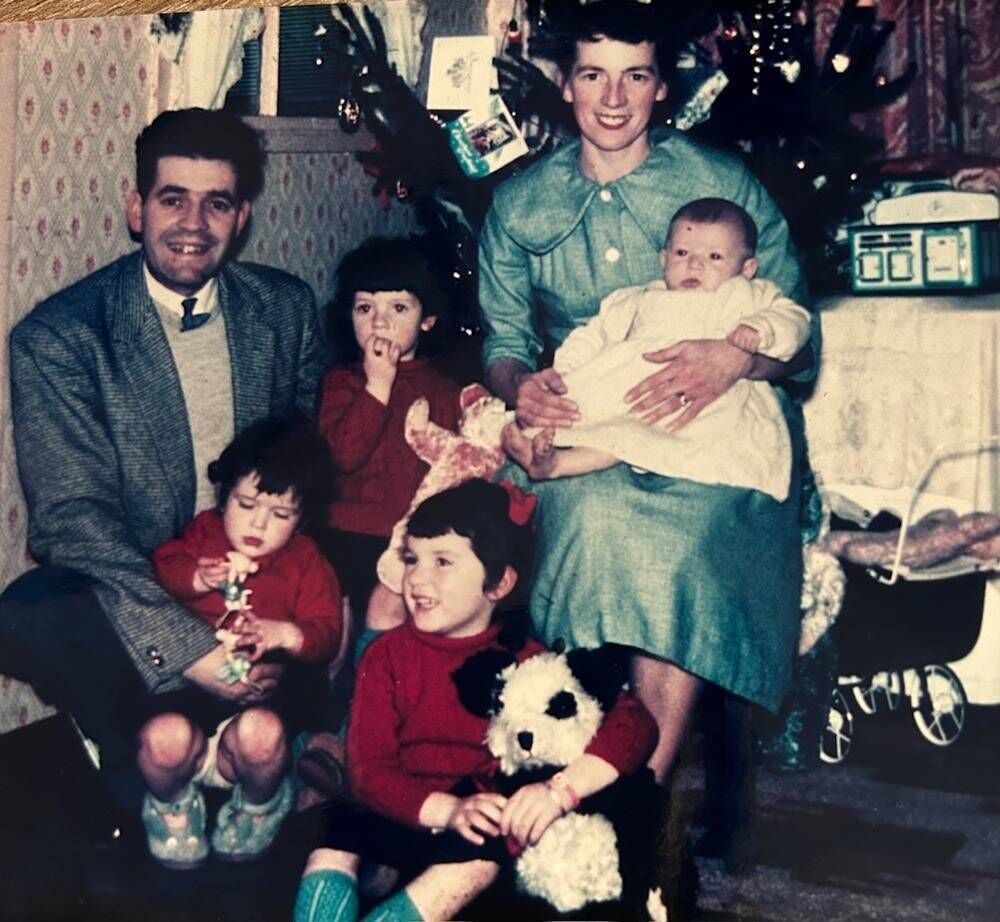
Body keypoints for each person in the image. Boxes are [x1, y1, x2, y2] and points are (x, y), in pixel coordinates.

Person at [477, 4, 819, 912]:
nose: (613, 97)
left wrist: (733, 357)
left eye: (635, 75)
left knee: (679, 542)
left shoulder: (720, 181)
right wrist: (527, 389)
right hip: (590, 425)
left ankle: (642, 806)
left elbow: (797, 333)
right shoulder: (520, 202)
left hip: (716, 433)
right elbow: (507, 342)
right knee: (584, 518)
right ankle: (563, 796)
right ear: (564, 84)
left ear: (663, 85)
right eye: (593, 74)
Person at [0, 108, 327, 818]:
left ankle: (227, 743)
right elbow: (71, 522)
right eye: (172, 198)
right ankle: (149, 766)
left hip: (253, 577)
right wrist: (187, 648)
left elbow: (304, 474)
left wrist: (274, 626)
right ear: (135, 208)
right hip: (138, 583)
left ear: (241, 217)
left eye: (216, 203)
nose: (192, 223)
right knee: (26, 611)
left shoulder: (286, 309)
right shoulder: (59, 337)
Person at [293, 479, 657, 922]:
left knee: (481, 854)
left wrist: (559, 791)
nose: (417, 578)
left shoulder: (528, 661)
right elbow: (370, 771)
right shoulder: (385, 655)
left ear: (498, 583)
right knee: (335, 832)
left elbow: (635, 724)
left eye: (442, 561)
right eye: (412, 559)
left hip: (476, 825)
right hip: (404, 806)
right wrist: (445, 810)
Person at [503, 198, 811, 503]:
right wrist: (565, 373)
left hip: (710, 398)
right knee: (615, 431)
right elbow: (593, 335)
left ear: (747, 268)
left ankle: (557, 458)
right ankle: (554, 460)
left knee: (644, 436)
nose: (694, 263)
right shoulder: (636, 298)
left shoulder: (749, 294)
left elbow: (795, 320)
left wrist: (761, 331)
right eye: (682, 252)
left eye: (715, 256)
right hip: (635, 394)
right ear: (663, 259)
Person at [138, 416, 341, 868]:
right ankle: (171, 805)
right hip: (188, 697)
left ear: (302, 520)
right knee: (159, 740)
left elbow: (326, 632)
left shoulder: (305, 561)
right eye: (246, 504)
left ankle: (258, 806)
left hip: (256, 709)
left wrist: (285, 634)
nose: (258, 524)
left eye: (280, 515)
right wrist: (196, 576)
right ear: (224, 494)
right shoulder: (204, 533)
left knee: (263, 736)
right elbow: (161, 568)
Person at [315, 236, 461, 653]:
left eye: (398, 308)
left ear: (427, 319)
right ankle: (329, 703)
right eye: (365, 308)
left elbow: (455, 470)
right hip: (342, 531)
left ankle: (374, 697)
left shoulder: (444, 390)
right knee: (332, 616)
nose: (380, 323)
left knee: (391, 613)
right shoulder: (342, 382)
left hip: (408, 539)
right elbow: (342, 456)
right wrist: (377, 385)